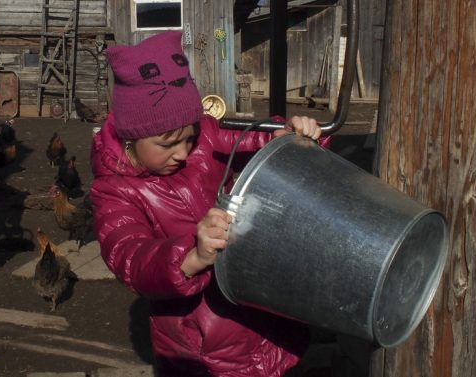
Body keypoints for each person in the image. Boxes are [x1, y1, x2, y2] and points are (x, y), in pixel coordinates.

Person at [90, 30, 322, 376]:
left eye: (189, 137)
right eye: (167, 144)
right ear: (131, 138)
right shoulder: (115, 191)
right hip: (202, 344)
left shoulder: (205, 138)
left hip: (263, 313)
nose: (183, 153)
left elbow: (253, 143)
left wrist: (289, 135)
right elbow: (129, 256)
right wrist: (191, 255)